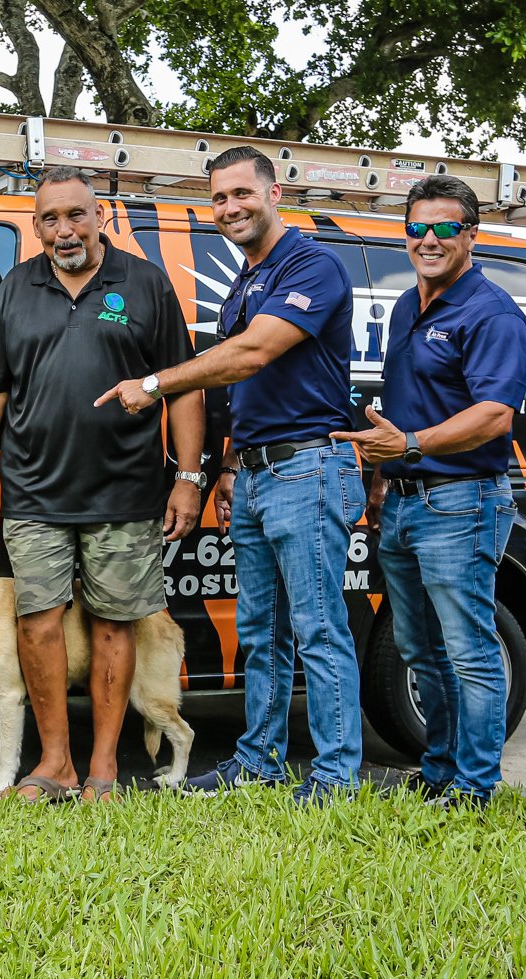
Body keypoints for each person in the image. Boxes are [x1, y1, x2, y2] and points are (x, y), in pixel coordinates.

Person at [0, 165, 206, 803]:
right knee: (38, 624)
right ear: (36, 225)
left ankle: (103, 767)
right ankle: (56, 763)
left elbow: (183, 385)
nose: (64, 230)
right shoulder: (16, 289)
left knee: (113, 625)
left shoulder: (144, 283)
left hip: (124, 493)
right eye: (49, 218)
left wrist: (188, 478)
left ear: (100, 214)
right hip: (34, 494)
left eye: (75, 214)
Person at [99, 145, 362, 806]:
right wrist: (223, 469)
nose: (230, 208)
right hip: (255, 476)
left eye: (242, 193)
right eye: (218, 198)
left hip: (308, 469)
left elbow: (250, 355)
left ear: (275, 193)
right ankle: (261, 761)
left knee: (318, 628)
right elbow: (238, 396)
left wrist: (154, 382)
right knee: (261, 632)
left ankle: (335, 776)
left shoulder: (312, 265)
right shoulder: (248, 278)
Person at [330, 175, 526, 807]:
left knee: (469, 649)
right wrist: (383, 476)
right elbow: (403, 409)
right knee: (418, 645)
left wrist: (412, 447)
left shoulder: (490, 311)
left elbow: (495, 414)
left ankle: (476, 784)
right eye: (417, 227)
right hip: (407, 501)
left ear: (471, 234)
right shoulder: (403, 306)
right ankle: (441, 767)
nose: (429, 239)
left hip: (463, 501)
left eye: (445, 227)